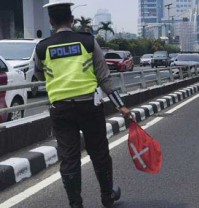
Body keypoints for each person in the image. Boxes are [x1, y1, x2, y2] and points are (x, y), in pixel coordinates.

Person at [34, 1, 131, 207]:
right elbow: (104, 78)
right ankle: (107, 196)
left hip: (60, 110)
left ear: (51, 21)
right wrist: (120, 105)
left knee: (69, 158)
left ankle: (76, 204)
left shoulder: (42, 47)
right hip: (89, 107)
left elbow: (39, 73)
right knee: (99, 153)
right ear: (72, 19)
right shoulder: (88, 42)